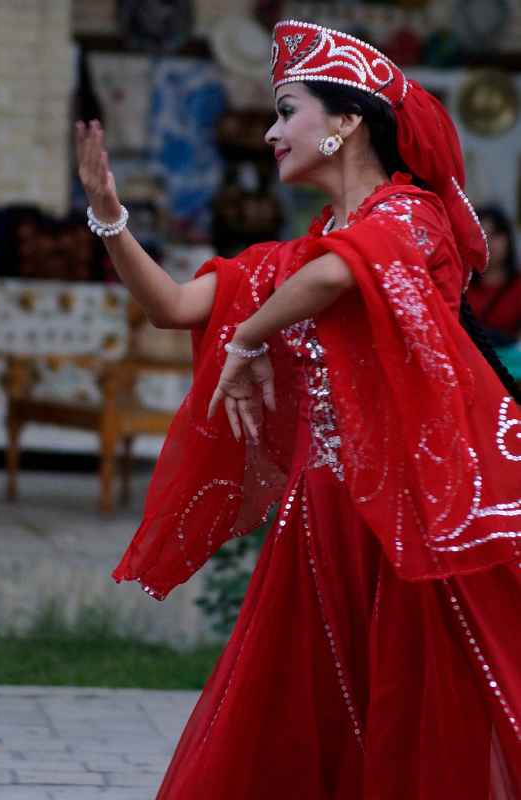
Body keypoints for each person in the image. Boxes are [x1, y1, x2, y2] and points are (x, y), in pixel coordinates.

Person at [76, 19, 521, 799]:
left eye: (287, 112)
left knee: (405, 717)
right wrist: (109, 216)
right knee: (297, 716)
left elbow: (345, 273)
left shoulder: (410, 217)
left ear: (346, 121)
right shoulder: (295, 259)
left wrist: (249, 337)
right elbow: (174, 306)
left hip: (403, 521)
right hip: (317, 521)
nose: (272, 132)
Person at [466, 205, 521, 346]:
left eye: (495, 234)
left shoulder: (517, 286)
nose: (489, 242)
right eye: (482, 234)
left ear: (508, 238)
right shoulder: (461, 284)